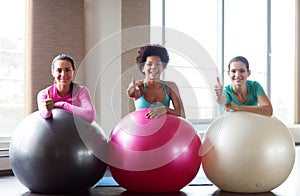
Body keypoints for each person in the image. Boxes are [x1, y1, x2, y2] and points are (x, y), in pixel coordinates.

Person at [127, 44, 185, 118]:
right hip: (141, 129)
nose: (154, 67)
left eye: (158, 64)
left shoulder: (171, 86)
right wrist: (133, 91)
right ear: (143, 68)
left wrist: (166, 109)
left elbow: (182, 114)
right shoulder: (138, 85)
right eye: (149, 64)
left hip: (166, 129)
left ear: (163, 67)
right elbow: (133, 92)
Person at [37, 54, 95, 122]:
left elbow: (90, 116)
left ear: (74, 71)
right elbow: (45, 115)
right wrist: (48, 109)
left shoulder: (81, 91)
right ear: (53, 72)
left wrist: (62, 105)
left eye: (67, 70)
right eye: (59, 70)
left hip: (76, 132)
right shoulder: (44, 94)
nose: (63, 75)